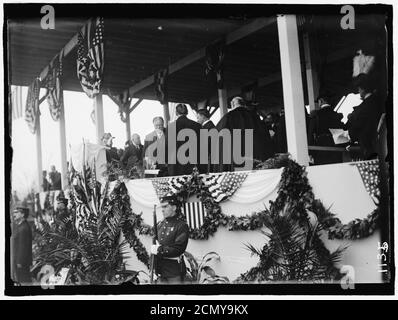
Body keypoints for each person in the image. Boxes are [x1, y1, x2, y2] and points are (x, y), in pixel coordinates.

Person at [216, 96, 274, 171]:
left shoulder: (228, 117)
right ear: (243, 104)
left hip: (236, 159)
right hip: (255, 157)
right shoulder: (255, 116)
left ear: (233, 104)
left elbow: (218, 136)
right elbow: (264, 136)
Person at [345, 73, 384, 160]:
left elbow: (358, 125)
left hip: (369, 146)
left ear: (362, 89)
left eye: (359, 88)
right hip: (380, 144)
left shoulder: (365, 107)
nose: (358, 92)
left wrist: (348, 134)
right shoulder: (377, 102)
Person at [150, 195, 189, 284]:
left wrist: (159, 250)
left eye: (165, 206)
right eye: (162, 207)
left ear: (174, 207)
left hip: (173, 271)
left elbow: (178, 249)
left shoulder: (181, 226)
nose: (162, 210)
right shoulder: (160, 225)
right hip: (159, 270)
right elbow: (155, 244)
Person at [166, 103, 203, 176]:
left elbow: (168, 146)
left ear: (176, 113)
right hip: (193, 164)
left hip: (176, 165)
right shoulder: (197, 125)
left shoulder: (171, 127)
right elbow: (201, 146)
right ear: (187, 112)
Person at [308, 92, 344, 164]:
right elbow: (342, 135)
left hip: (320, 149)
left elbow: (310, 134)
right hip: (336, 150)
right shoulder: (337, 115)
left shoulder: (316, 115)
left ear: (321, 101)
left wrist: (310, 152)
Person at [12, 206, 32, 284]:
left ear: (22, 215)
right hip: (19, 261)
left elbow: (23, 247)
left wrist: (20, 262)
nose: (14, 214)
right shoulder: (21, 226)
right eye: (14, 213)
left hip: (21, 263)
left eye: (16, 212)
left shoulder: (24, 228)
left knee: (24, 282)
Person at [196, 109, 216, 173]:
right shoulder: (211, 126)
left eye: (198, 117)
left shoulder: (206, 128)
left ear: (203, 116)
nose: (197, 120)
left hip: (207, 161)